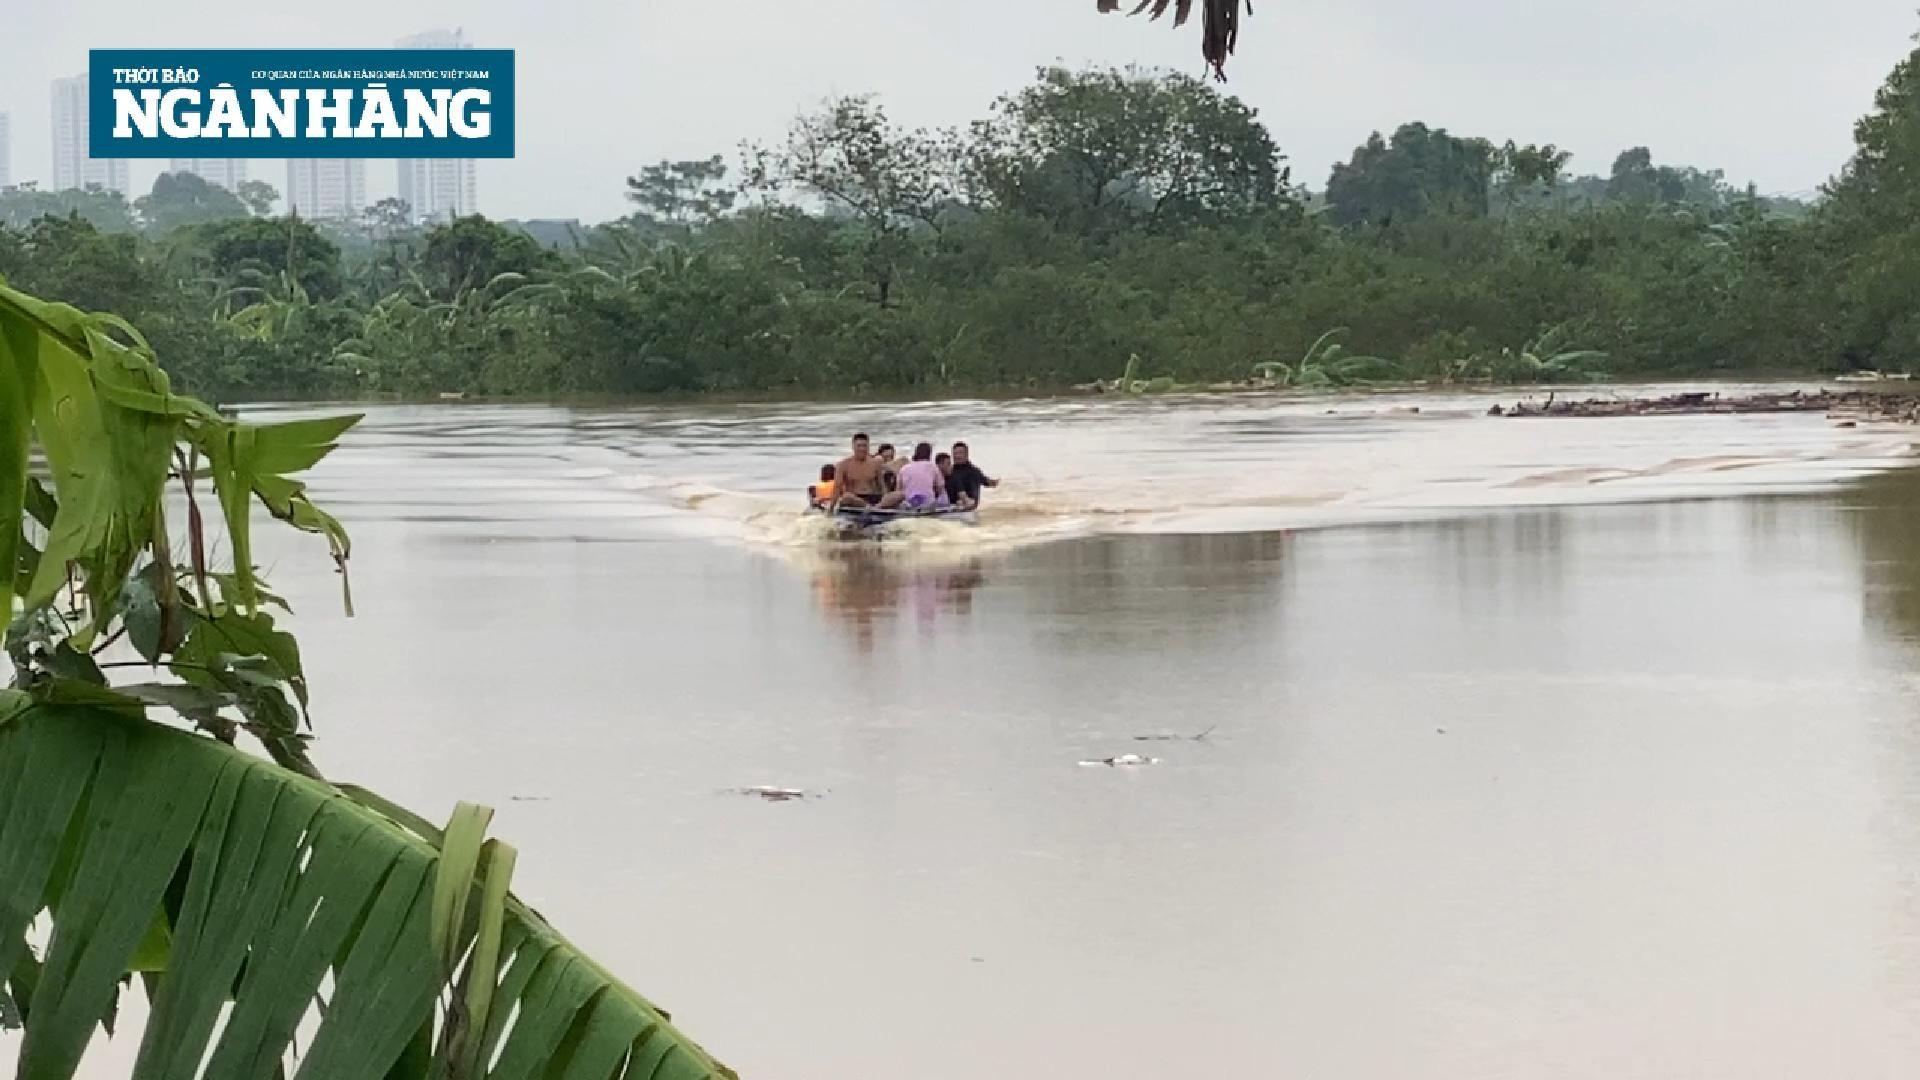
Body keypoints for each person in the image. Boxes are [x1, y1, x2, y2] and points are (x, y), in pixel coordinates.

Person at [834, 433, 887, 506]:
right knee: (846, 497)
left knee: (900, 495)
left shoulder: (876, 463)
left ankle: (877, 506)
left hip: (873, 497)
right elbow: (837, 487)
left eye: (864, 446)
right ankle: (867, 506)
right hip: (854, 498)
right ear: (853, 446)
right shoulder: (843, 465)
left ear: (868, 446)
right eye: (859, 446)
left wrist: (886, 498)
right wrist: (831, 509)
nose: (862, 449)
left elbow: (882, 485)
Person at [946, 441, 998, 509]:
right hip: (951, 507)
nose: (957, 456)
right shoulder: (949, 471)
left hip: (969, 508)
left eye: (960, 453)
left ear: (966, 454)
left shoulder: (974, 471)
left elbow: (989, 483)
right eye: (955, 453)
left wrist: (998, 482)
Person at [895, 442, 946, 511]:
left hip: (909, 503)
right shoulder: (932, 466)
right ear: (929, 454)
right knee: (943, 494)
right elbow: (940, 487)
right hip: (928, 503)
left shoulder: (904, 468)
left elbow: (898, 490)